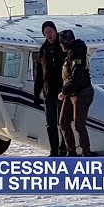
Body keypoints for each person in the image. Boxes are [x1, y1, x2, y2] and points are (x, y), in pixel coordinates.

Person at [57, 29, 96, 157]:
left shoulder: (76, 54)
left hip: (81, 93)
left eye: (61, 43)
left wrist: (64, 91)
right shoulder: (72, 53)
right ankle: (71, 151)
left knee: (79, 124)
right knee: (63, 121)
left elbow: (76, 77)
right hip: (72, 92)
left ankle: (86, 152)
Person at [33, 21, 67, 157]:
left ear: (55, 31)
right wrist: (36, 93)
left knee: (63, 122)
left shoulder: (63, 46)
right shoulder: (43, 50)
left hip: (63, 91)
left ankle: (64, 148)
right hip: (49, 92)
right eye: (46, 33)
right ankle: (54, 151)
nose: (48, 35)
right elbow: (39, 75)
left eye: (50, 32)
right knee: (50, 124)